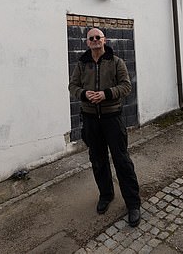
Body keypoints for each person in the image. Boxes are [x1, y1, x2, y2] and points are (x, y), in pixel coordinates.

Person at [68, 28, 141, 227]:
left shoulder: (116, 62)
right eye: (91, 38)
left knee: (122, 160)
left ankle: (133, 203)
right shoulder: (82, 64)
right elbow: (72, 86)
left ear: (104, 40)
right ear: (87, 42)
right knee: (98, 160)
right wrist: (84, 94)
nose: (94, 40)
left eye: (97, 37)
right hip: (91, 120)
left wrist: (106, 94)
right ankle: (106, 195)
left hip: (112, 119)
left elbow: (126, 86)